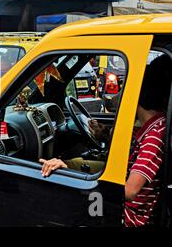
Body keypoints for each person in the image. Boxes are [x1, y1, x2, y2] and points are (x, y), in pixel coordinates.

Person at [39, 54, 171, 227]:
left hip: (128, 216)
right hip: (128, 205)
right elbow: (131, 149)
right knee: (70, 168)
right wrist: (105, 135)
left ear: (136, 96)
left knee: (57, 205)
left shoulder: (155, 136)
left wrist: (74, 177)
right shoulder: (155, 126)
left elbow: (130, 191)